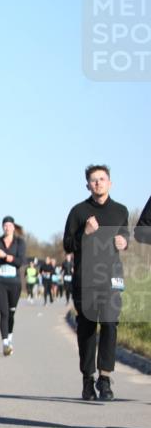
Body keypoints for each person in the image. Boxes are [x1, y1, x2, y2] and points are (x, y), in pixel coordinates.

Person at [63, 165, 130, 401]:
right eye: (94, 180)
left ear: (110, 183)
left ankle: (105, 377)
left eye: (102, 179)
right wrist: (86, 232)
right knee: (87, 329)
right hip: (85, 279)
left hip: (112, 277)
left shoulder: (121, 211)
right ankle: (87, 379)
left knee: (110, 324)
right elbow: (68, 244)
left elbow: (125, 236)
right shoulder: (78, 212)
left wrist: (125, 241)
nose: (98, 183)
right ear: (88, 185)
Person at [0, 216, 26, 356]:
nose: (7, 227)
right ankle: (5, 344)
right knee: (4, 313)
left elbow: (20, 261)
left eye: (9, 225)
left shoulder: (19, 243)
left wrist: (5, 256)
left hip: (14, 283)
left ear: (13, 227)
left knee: (11, 313)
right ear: (2, 227)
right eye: (5, 225)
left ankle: (9, 338)